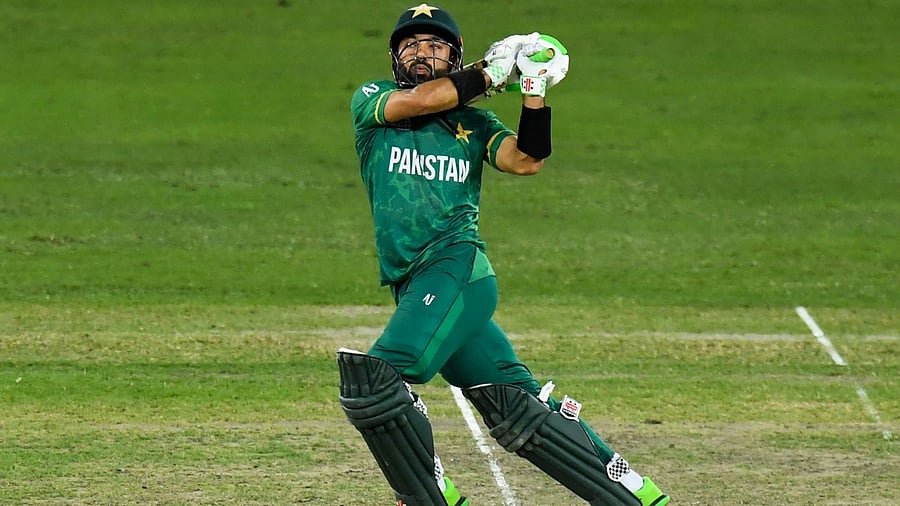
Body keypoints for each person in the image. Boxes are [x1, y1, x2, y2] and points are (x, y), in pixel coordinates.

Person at [337, 4, 670, 505]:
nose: (423, 53)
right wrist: (491, 73)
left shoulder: (473, 121)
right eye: (412, 45)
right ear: (394, 58)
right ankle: (632, 493)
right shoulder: (374, 101)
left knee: (375, 380)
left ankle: (430, 496)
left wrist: (532, 92)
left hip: (455, 267)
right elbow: (423, 100)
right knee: (513, 404)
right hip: (416, 283)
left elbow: (525, 161)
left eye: (435, 46)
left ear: (454, 57)